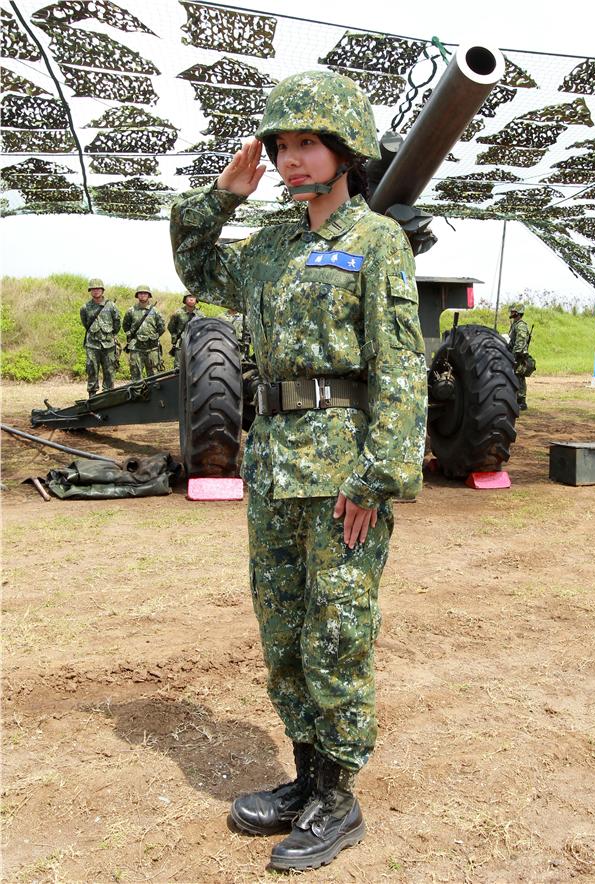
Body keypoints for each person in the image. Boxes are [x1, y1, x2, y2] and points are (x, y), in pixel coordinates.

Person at [170, 70, 427, 872]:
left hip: (344, 471)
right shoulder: (271, 247)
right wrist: (221, 197)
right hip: (277, 462)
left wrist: (378, 479)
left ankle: (339, 796)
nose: (291, 158)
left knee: (338, 633)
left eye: (307, 143)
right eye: (282, 145)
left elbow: (400, 368)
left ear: (344, 150)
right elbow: (195, 268)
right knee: (282, 631)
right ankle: (306, 778)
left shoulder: (376, 241)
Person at [80, 278, 121, 397]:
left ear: (102, 290)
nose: (96, 291)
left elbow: (117, 323)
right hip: (92, 345)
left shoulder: (111, 306)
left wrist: (110, 336)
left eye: (98, 289)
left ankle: (108, 396)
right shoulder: (85, 307)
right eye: (93, 289)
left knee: (109, 371)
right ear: (90, 291)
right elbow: (85, 323)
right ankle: (92, 396)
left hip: (108, 345)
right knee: (92, 370)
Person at [122, 284, 165, 380]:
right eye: (140, 293)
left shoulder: (155, 311)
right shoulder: (131, 311)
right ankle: (138, 395)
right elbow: (125, 326)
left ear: (149, 295)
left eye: (145, 293)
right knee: (136, 376)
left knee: (155, 376)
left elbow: (161, 327)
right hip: (136, 347)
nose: (143, 295)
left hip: (152, 348)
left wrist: (154, 336)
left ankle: (154, 395)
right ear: (137, 295)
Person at [167, 292, 204, 367]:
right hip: (180, 344)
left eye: (193, 297)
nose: (191, 299)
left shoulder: (201, 314)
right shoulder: (178, 313)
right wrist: (175, 338)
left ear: (196, 300)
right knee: (178, 368)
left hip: (195, 345)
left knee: (195, 367)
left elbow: (203, 329)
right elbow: (171, 327)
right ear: (185, 299)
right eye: (189, 297)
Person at [507, 302, 531, 411]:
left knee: (519, 377)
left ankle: (522, 401)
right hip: (514, 353)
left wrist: (514, 355)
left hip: (519, 355)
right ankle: (515, 398)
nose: (511, 313)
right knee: (514, 376)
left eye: (513, 312)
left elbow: (520, 342)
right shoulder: (515, 324)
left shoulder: (521, 325)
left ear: (518, 313)